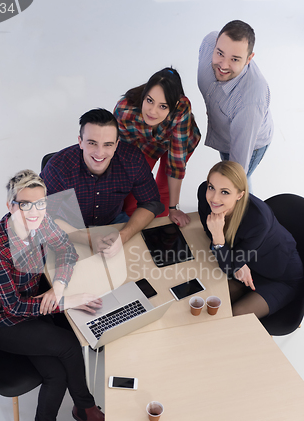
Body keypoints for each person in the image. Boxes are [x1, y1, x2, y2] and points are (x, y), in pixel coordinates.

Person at [0, 170, 104, 421]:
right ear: (11, 206)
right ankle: (81, 408)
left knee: (56, 373)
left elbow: (67, 252)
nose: (34, 211)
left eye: (41, 203)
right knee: (69, 343)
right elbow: (15, 308)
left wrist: (57, 288)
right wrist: (69, 300)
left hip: (34, 306)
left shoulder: (41, 221)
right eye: (25, 204)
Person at [40, 108, 164, 258]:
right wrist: (87, 238)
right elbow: (44, 216)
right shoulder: (58, 167)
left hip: (114, 221)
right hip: (70, 228)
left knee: (147, 260)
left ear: (117, 144)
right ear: (80, 142)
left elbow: (151, 203)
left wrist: (123, 236)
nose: (99, 153)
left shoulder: (132, 160)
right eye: (92, 143)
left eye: (108, 144)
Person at [198, 161, 303, 319]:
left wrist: (219, 237)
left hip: (280, 276)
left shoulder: (258, 221)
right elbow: (209, 231)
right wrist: (238, 263)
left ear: (240, 194)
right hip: (247, 265)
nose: (214, 198)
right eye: (211, 187)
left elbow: (227, 262)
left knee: (236, 316)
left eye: (225, 192)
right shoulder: (204, 194)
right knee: (208, 298)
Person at [114, 67, 201, 227]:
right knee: (135, 185)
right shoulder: (125, 111)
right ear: (144, 94)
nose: (152, 111)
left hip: (178, 142)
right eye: (149, 100)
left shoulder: (182, 109)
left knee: (163, 187)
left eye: (163, 106)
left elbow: (176, 165)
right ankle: (132, 225)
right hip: (145, 143)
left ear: (174, 105)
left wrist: (174, 208)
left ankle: (157, 227)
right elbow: (125, 158)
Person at [198, 20, 273, 186]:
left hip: (250, 144)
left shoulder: (251, 101)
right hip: (226, 132)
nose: (223, 65)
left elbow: (236, 170)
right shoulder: (209, 42)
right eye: (220, 53)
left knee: (237, 184)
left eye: (235, 59)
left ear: (249, 59)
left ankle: (246, 212)